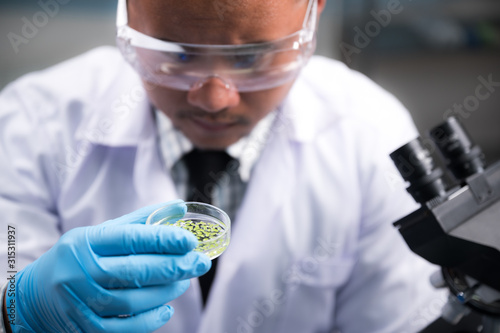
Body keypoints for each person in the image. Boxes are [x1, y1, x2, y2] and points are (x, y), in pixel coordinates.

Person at [0, 0, 445, 332]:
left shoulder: (370, 132)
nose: (214, 100)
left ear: (314, 15)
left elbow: (396, 322)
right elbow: (8, 264)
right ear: (127, 14)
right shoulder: (31, 121)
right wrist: (17, 307)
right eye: (177, 53)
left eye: (251, 57)